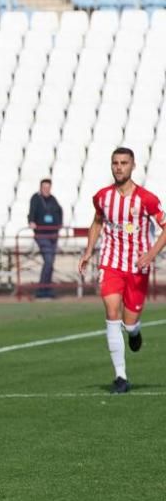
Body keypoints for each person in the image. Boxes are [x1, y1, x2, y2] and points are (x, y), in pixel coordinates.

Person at [78, 147, 166, 394]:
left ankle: (135, 332)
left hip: (137, 267)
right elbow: (97, 222)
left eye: (124, 163)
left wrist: (151, 254)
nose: (119, 167)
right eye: (115, 163)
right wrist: (88, 251)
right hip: (111, 264)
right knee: (111, 311)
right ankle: (120, 377)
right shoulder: (102, 197)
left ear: (133, 166)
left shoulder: (146, 198)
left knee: (129, 324)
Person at [28, 178, 63, 299]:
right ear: (40, 187)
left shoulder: (53, 200)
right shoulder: (36, 198)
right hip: (42, 234)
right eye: (44, 188)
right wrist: (31, 221)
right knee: (48, 261)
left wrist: (59, 226)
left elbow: (59, 212)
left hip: (53, 234)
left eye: (48, 188)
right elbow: (31, 211)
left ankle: (47, 289)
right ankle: (42, 290)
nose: (46, 190)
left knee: (50, 263)